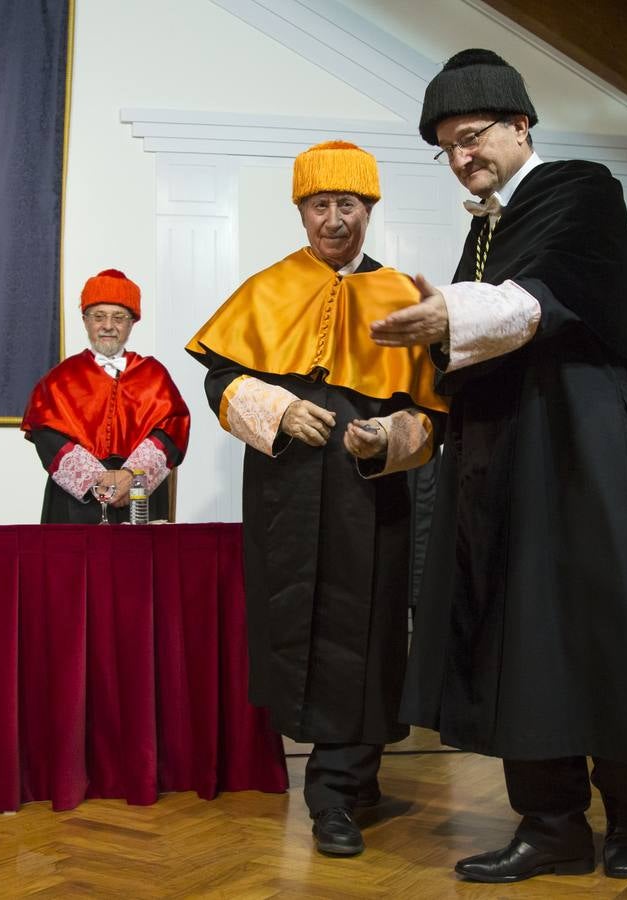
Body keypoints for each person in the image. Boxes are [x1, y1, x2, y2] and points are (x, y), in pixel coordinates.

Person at [371, 50, 627, 883]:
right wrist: (439, 328)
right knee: (515, 631)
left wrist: (450, 311)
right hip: (500, 454)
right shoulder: (484, 229)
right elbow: (466, 341)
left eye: (473, 136)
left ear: (520, 125)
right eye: (448, 146)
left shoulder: (579, 187)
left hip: (579, 442)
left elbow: (544, 296)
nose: (463, 156)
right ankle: (552, 824)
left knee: (606, 617)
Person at [187, 141, 447, 858]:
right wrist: (273, 407)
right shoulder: (267, 288)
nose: (335, 220)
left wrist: (388, 437)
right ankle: (341, 781)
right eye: (320, 205)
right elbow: (219, 384)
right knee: (301, 626)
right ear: (301, 211)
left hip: (373, 497)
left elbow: (434, 420)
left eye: (349, 206)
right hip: (289, 494)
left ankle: (341, 788)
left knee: (368, 632)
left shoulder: (401, 296)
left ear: (370, 211)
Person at [21, 269, 190, 523]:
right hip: (76, 504)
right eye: (99, 317)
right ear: (85, 320)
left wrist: (131, 476)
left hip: (138, 501)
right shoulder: (60, 379)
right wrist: (97, 481)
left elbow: (172, 429)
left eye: (119, 317)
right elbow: (46, 435)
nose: (108, 326)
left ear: (132, 322)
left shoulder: (154, 376)